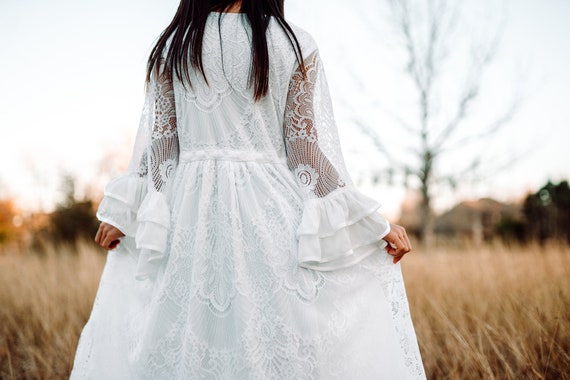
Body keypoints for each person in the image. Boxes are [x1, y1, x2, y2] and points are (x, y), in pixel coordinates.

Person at [71, 0, 426, 378]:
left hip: (187, 216)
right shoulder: (294, 43)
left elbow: (163, 144)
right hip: (271, 214)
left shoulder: (174, 43)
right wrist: (372, 223)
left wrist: (127, 214)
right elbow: (304, 150)